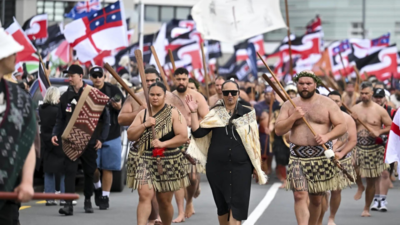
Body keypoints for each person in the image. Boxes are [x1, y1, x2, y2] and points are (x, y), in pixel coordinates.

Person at [186, 79, 267, 224]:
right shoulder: (215, 113)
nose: (230, 95)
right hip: (217, 168)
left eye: (233, 92)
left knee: (236, 207)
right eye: (226, 92)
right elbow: (198, 133)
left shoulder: (248, 113)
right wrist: (193, 112)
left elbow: (254, 142)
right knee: (222, 207)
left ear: (238, 93)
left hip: (241, 167)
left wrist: (256, 165)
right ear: (221, 94)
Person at [275, 70, 346, 225]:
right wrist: (293, 117)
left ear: (315, 84)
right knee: (299, 195)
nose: (305, 87)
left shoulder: (327, 104)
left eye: (308, 83)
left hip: (320, 156)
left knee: (316, 200)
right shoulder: (289, 104)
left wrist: (327, 136)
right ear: (297, 85)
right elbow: (279, 129)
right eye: (301, 84)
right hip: (297, 156)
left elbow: (342, 126)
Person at [122, 68, 189, 225]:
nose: (155, 98)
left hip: (168, 159)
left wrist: (163, 143)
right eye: (152, 95)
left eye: (158, 95)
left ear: (164, 96)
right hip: (144, 157)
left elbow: (182, 137)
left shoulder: (174, 113)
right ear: (148, 96)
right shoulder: (143, 114)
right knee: (144, 195)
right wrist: (145, 124)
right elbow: (130, 134)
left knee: (164, 201)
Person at [52, 64, 110, 215]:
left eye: (72, 76)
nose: (69, 78)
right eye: (68, 76)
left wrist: (101, 139)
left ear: (80, 76)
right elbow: (60, 119)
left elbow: (106, 119)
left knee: (89, 173)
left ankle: (88, 200)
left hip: (90, 142)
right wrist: (54, 134)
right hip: (71, 141)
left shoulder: (94, 95)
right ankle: (69, 205)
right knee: (69, 172)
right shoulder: (65, 97)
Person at [0, 28, 37, 225]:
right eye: (11, 52)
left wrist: (27, 182)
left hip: (7, 192)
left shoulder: (20, 97)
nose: (16, 56)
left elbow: (27, 141)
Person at [172, 67, 209, 220]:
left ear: (188, 79)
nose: (181, 82)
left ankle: (189, 201)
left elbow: (207, 119)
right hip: (174, 141)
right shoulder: (168, 97)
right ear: (174, 80)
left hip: (193, 142)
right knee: (178, 177)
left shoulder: (197, 97)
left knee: (192, 177)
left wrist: (193, 127)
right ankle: (180, 211)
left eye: (184, 79)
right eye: (178, 79)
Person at [350, 82, 392, 217]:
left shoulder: (380, 110)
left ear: (372, 94)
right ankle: (359, 186)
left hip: (374, 147)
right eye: (361, 93)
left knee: (371, 180)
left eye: (366, 93)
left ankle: (366, 208)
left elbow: (391, 127)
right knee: (351, 165)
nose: (363, 95)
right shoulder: (355, 108)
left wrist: (379, 131)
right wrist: (352, 119)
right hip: (358, 145)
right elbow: (348, 126)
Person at [89, 66, 125, 210]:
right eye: (94, 75)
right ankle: (97, 188)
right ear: (91, 77)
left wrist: (118, 107)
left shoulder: (113, 90)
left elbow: (123, 107)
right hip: (93, 135)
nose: (97, 78)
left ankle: (105, 196)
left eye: (100, 75)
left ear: (104, 77)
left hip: (112, 134)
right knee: (93, 167)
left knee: (108, 168)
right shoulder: (88, 91)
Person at [322, 91, 357, 225]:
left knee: (336, 190)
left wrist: (340, 154)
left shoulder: (347, 118)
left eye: (337, 101)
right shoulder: (321, 117)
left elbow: (352, 140)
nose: (334, 103)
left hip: (340, 157)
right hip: (323, 156)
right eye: (331, 100)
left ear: (341, 103)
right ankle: (319, 216)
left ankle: (331, 217)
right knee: (322, 191)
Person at [369, 88, 396, 212]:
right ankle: (376, 199)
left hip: (386, 145)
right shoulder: (367, 110)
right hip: (371, 145)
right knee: (375, 174)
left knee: (385, 173)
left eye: (380, 97)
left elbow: (395, 127)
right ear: (372, 97)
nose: (378, 99)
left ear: (385, 98)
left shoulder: (392, 111)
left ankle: (383, 200)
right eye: (376, 96)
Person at [39, 87, 66, 206]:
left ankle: (49, 197)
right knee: (63, 170)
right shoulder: (58, 111)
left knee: (48, 171)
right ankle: (64, 197)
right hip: (58, 142)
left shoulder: (41, 109)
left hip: (46, 142)